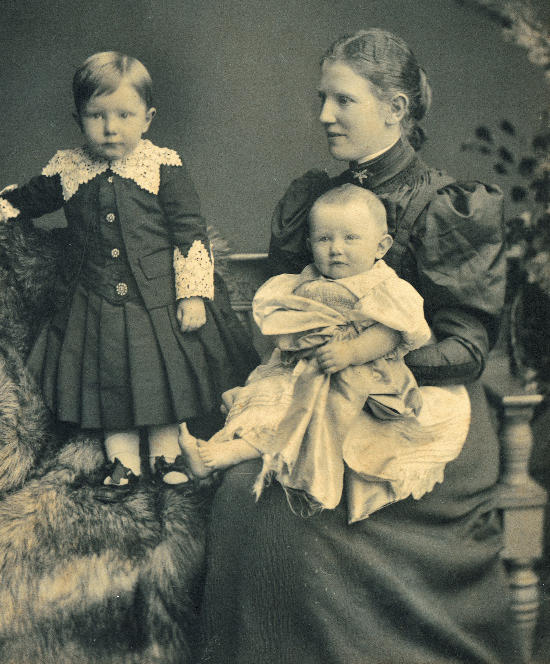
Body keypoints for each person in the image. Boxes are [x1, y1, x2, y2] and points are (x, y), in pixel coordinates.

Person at [199, 29, 521, 664]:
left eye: (342, 101)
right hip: (319, 394)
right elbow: (287, 300)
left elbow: (466, 350)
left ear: (395, 108)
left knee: (283, 514)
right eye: (323, 98)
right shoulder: (319, 202)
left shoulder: (444, 205)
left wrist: (370, 361)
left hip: (420, 408)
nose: (324, 116)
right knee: (245, 491)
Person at [0, 51, 258, 490]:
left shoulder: (163, 166)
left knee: (162, 377)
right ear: (78, 117)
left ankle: (166, 455)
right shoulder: (68, 168)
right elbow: (23, 202)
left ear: (148, 118)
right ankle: (122, 462)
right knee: (111, 383)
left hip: (158, 299)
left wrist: (192, 293)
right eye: (96, 116)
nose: (111, 127)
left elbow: (190, 232)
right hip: (94, 300)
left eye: (124, 115)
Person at [180, 183, 470, 523]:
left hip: (356, 369)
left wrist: (350, 351)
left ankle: (217, 456)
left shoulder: (383, 286)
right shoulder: (303, 282)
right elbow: (283, 327)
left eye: (350, 239)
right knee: (264, 398)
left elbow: (390, 334)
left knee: (295, 408)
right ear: (310, 245)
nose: (335, 249)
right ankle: (217, 455)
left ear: (382, 246)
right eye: (324, 239)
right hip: (298, 364)